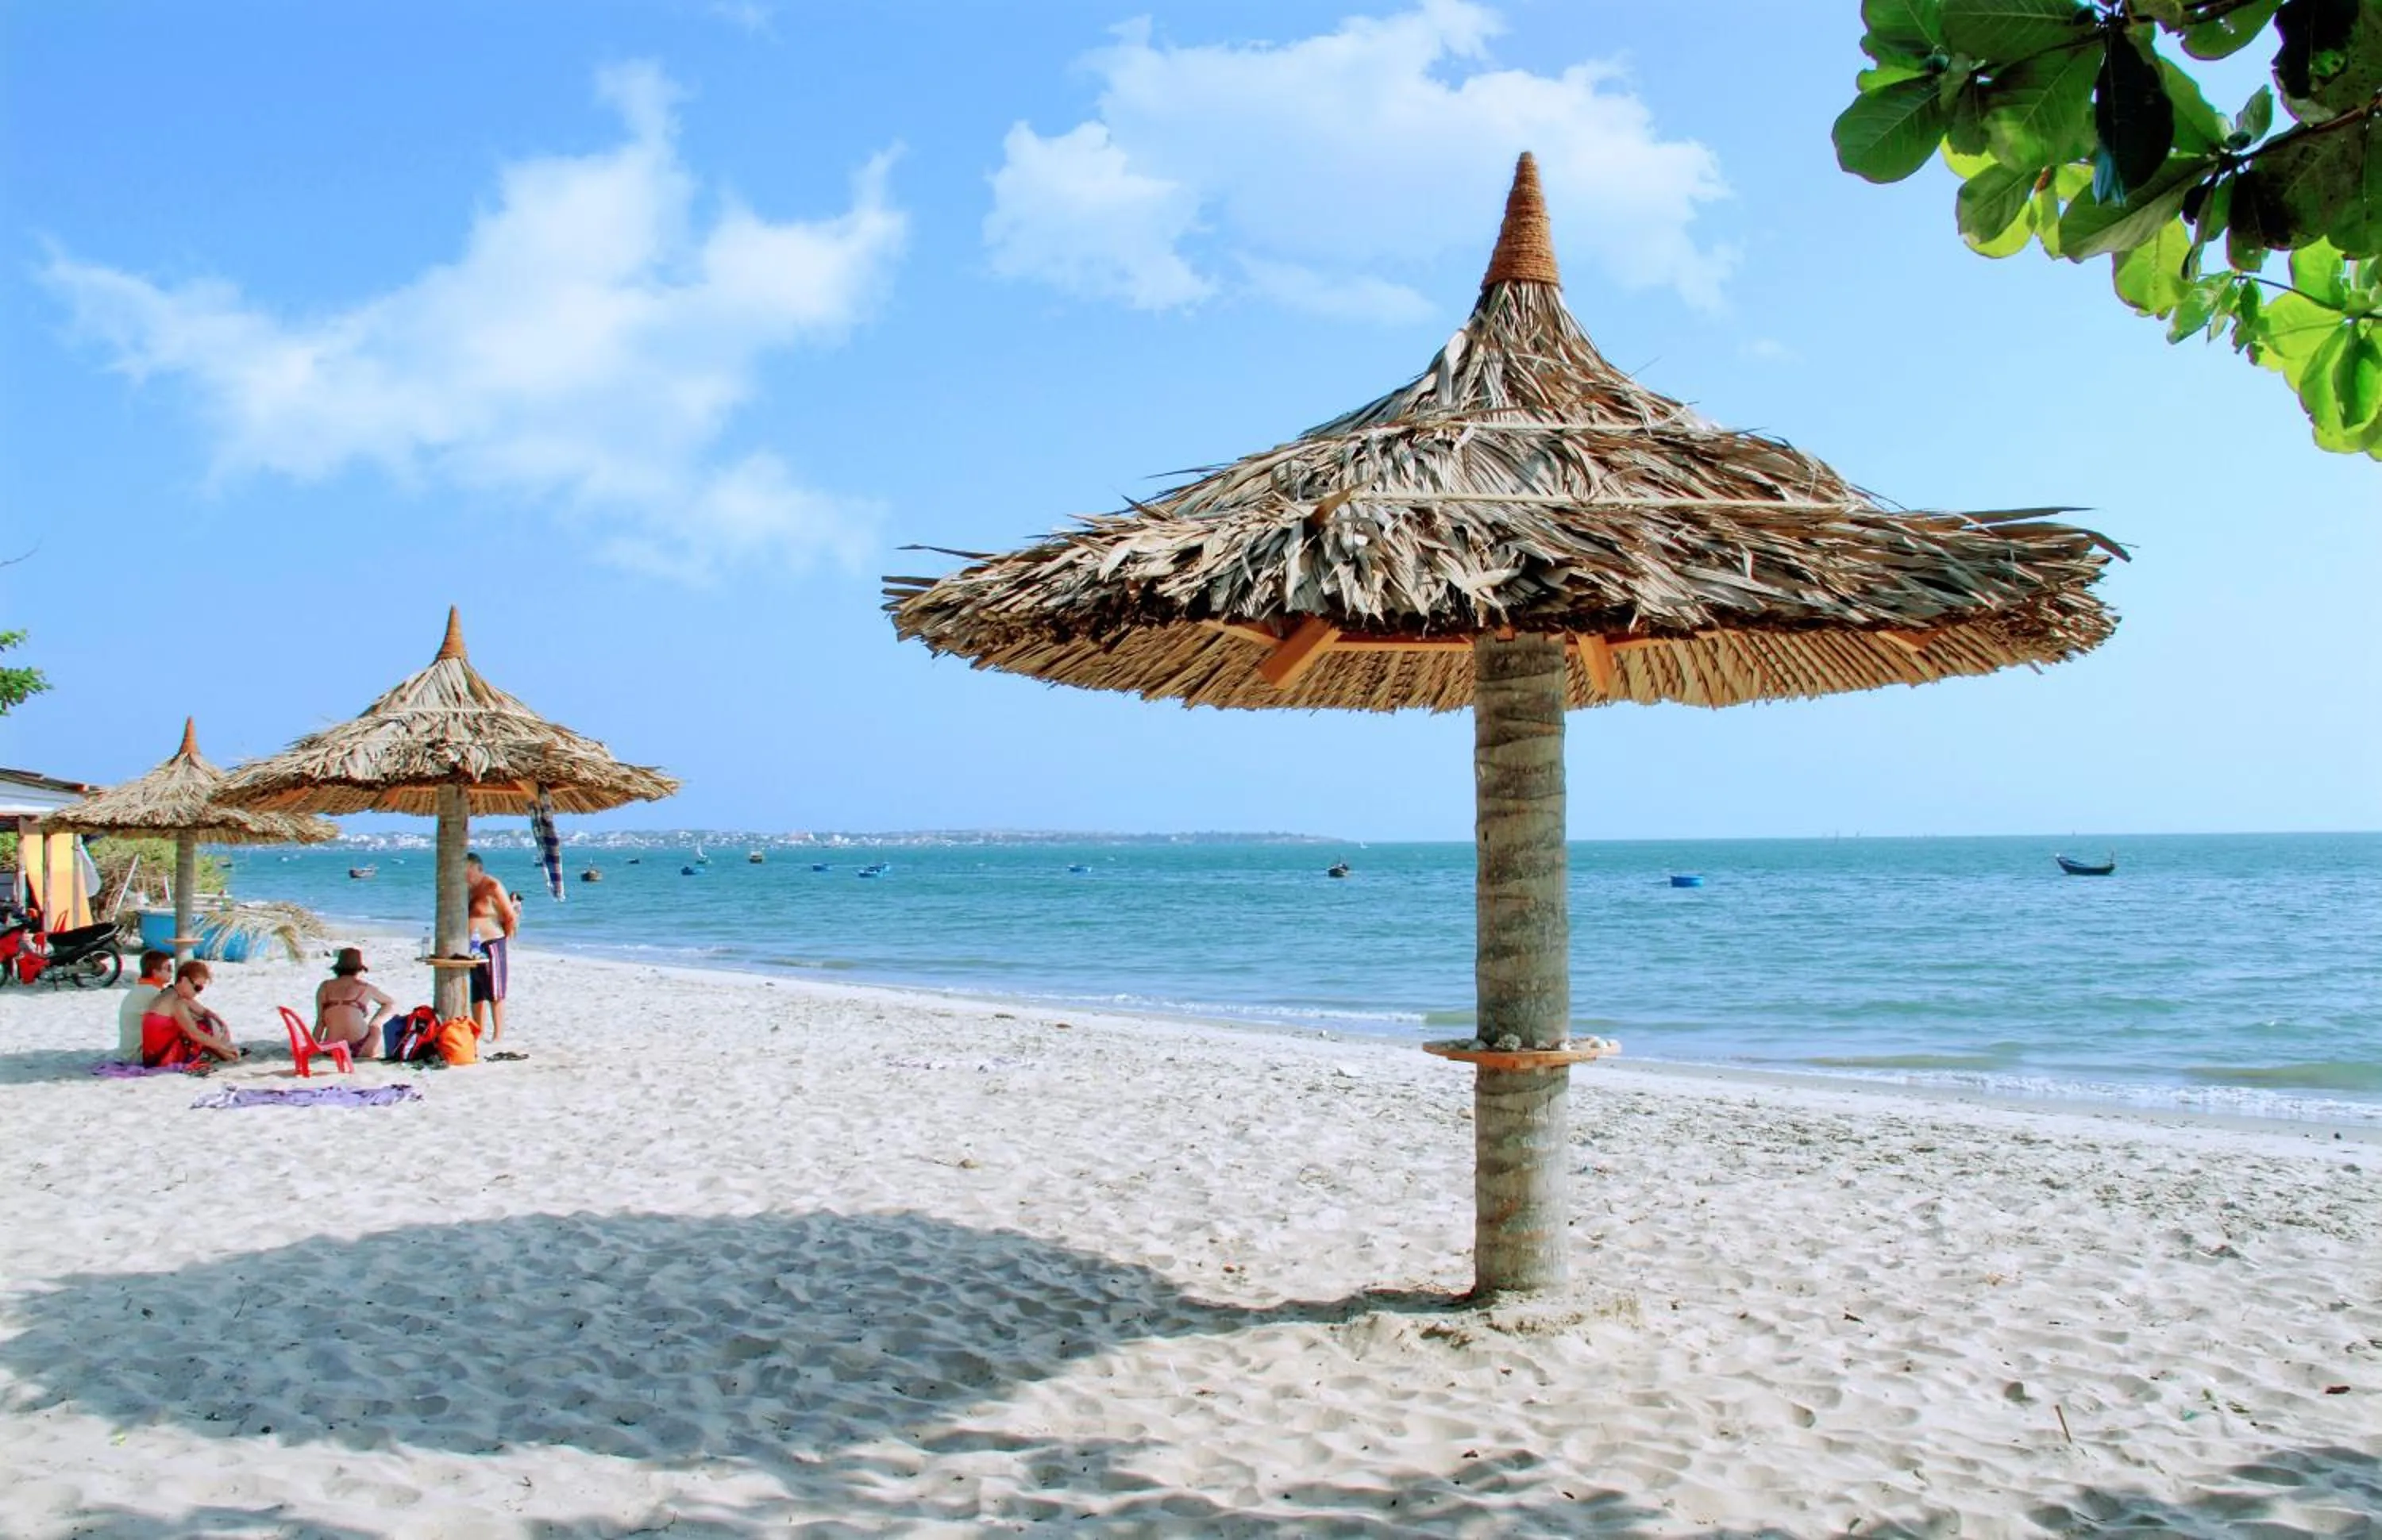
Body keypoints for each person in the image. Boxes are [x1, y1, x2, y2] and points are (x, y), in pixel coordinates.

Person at [140, 959, 241, 1067]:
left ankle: (225, 1053)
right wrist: (223, 1047)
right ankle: (226, 1054)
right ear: (184, 980)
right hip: (162, 1059)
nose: (198, 992)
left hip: (152, 1058)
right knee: (204, 1027)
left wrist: (221, 1031)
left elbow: (206, 1012)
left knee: (206, 1022)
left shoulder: (169, 994)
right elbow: (194, 1033)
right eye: (197, 987)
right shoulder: (177, 1002)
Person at [464, 853, 518, 1043]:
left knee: (495, 991)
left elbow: (509, 915)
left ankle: (498, 1035)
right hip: (472, 946)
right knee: (477, 991)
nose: (465, 875)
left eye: (468, 871)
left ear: (478, 869)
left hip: (491, 941)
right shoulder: (467, 889)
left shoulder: (492, 886)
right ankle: (478, 1032)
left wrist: (506, 936)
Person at [314, 946, 394, 1060]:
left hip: (333, 1048)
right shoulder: (365, 988)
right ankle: (374, 1025)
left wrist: (313, 1046)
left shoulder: (325, 987)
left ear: (337, 968)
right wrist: (375, 1022)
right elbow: (390, 1003)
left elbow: (320, 1022)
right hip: (362, 1047)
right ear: (359, 969)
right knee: (375, 1028)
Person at [115, 949, 173, 1061]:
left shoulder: (141, 989)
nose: (171, 972)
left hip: (129, 1052)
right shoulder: (152, 993)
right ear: (155, 972)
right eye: (168, 969)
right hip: (138, 1055)